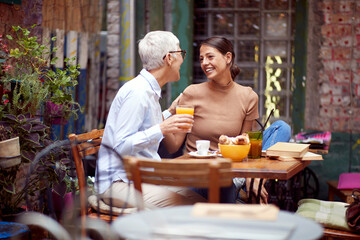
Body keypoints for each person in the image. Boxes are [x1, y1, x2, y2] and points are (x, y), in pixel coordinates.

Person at [165, 36, 291, 203]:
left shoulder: (248, 96)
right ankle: (243, 188)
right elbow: (173, 146)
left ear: (228, 57)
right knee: (222, 182)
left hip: (231, 170)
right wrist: (164, 120)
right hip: (198, 174)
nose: (204, 63)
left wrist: (253, 172)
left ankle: (255, 179)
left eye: (210, 57)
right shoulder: (192, 93)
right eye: (201, 59)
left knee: (282, 128)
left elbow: (243, 142)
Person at [95, 31, 207, 210]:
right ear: (169, 58)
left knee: (202, 203)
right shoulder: (138, 93)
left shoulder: (148, 91)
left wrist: (169, 113)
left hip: (140, 178)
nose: (183, 59)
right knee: (192, 210)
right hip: (119, 183)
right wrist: (161, 129)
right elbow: (120, 146)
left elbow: (144, 124)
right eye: (181, 53)